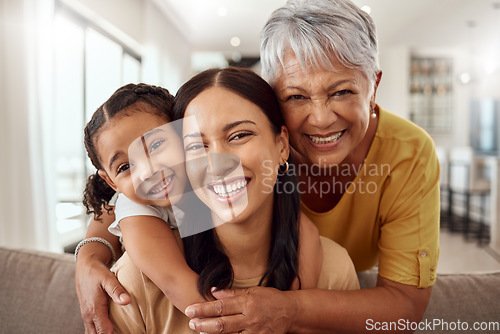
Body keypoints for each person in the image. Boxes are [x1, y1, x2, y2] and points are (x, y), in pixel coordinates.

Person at [184, 1, 440, 333]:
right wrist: (97, 245)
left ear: (374, 85)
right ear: (272, 98)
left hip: (341, 288)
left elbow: (405, 306)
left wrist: (288, 308)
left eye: (342, 91)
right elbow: (135, 180)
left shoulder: (409, 154)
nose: (320, 119)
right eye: (296, 97)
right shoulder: (254, 145)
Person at [108, 66, 359, 333]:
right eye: (196, 147)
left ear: (282, 146)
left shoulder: (333, 269)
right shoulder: (137, 281)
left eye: (239, 135)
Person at [81, 83, 206, 315]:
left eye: (156, 145)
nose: (147, 171)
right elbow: (176, 282)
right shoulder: (134, 209)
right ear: (111, 182)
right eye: (125, 166)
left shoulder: (211, 173)